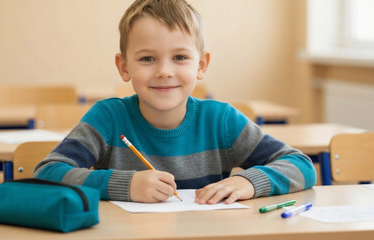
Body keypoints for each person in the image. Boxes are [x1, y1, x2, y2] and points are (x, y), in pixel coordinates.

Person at [34, 0, 317, 204]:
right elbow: (47, 173)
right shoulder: (108, 117)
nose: (165, 71)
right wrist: (125, 185)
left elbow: (300, 165)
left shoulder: (221, 120)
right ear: (124, 67)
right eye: (147, 58)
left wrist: (249, 182)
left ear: (201, 65)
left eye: (180, 57)